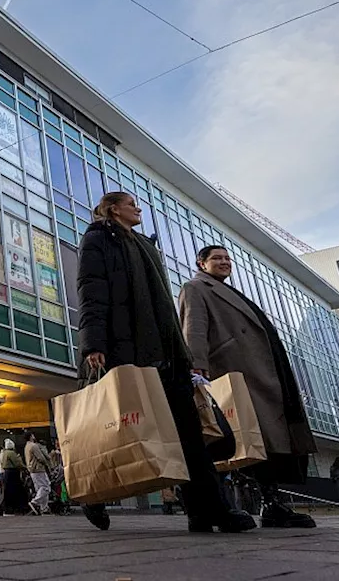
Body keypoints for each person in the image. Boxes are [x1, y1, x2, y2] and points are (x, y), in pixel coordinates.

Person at [77, 192, 256, 534]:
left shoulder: (145, 244)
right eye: (132, 205)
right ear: (114, 209)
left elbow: (163, 306)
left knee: (188, 433)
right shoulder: (98, 238)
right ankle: (92, 493)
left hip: (165, 350)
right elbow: (91, 290)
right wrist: (93, 345)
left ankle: (207, 510)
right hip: (120, 349)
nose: (138, 209)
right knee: (114, 426)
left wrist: (184, 356)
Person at [179, 244, 318, 529]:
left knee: (262, 440)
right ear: (201, 263)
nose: (224, 262)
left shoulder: (228, 291)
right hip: (233, 370)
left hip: (257, 370)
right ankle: (219, 507)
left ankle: (271, 504)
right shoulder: (196, 287)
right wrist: (196, 366)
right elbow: (193, 325)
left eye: (227, 258)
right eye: (217, 258)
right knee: (237, 439)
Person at [24, 432, 54, 516]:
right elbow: (41, 458)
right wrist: (48, 465)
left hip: (31, 469)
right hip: (38, 468)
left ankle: (44, 507)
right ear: (31, 437)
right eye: (33, 435)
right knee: (46, 487)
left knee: (40, 488)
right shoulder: (34, 446)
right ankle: (35, 502)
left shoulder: (26, 446)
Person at [0, 439, 26, 516]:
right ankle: (12, 508)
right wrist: (24, 466)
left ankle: (4, 509)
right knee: (12, 491)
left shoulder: (4, 453)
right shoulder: (12, 453)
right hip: (12, 473)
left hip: (6, 472)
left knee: (6, 491)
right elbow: (17, 463)